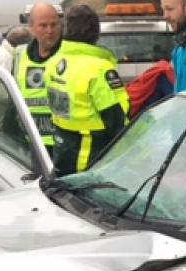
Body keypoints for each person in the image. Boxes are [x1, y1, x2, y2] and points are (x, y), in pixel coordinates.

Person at [46, 5, 130, 176]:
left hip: (62, 157)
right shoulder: (99, 69)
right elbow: (119, 120)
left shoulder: (53, 63)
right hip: (92, 164)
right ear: (96, 33)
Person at [12, 2, 63, 152]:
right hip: (30, 143)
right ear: (32, 27)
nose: (50, 31)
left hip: (60, 144)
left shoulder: (67, 55)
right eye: (43, 25)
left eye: (54, 25)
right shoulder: (19, 54)